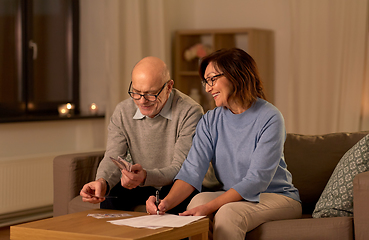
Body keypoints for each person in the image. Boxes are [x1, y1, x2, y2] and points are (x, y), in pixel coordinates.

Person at [146, 48, 302, 239]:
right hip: (235, 196)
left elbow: (256, 180)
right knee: (197, 201)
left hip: (277, 197)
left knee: (228, 213)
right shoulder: (210, 121)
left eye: (212, 79)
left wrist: (211, 207)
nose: (207, 88)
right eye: (206, 82)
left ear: (236, 75)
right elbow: (192, 171)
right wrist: (164, 203)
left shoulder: (270, 117)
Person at [80, 56, 203, 213]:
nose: (142, 101)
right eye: (136, 92)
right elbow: (113, 156)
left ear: (169, 87)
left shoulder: (190, 111)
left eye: (151, 94)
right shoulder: (123, 111)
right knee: (111, 200)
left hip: (177, 184)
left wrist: (145, 176)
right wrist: (102, 182)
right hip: (141, 183)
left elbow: (181, 168)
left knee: (174, 206)